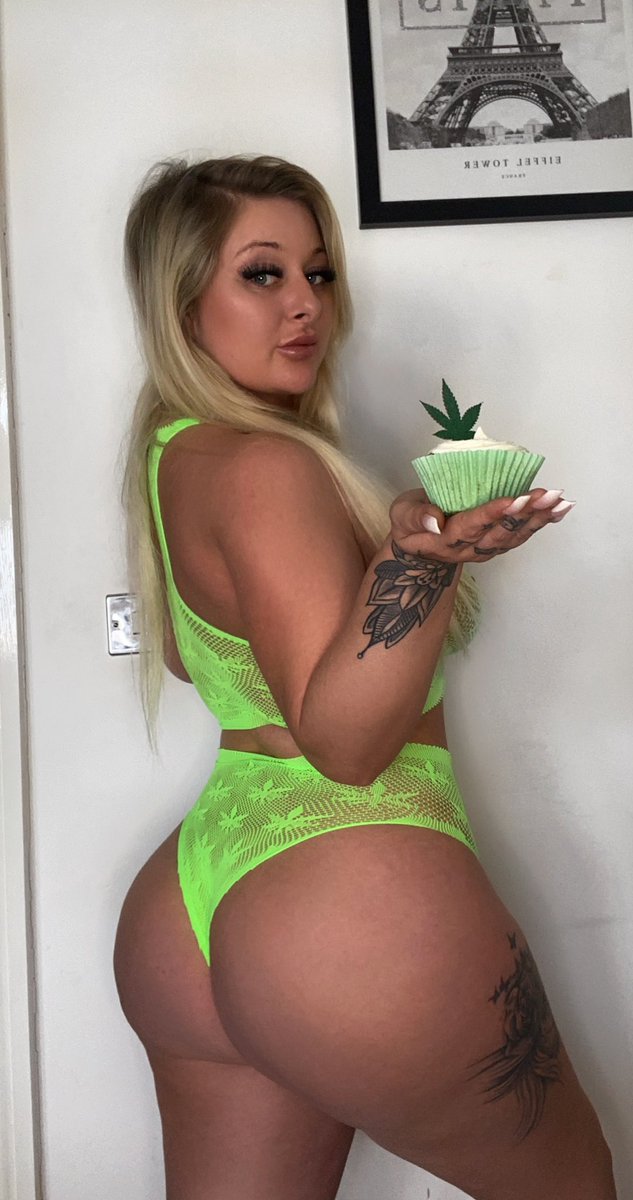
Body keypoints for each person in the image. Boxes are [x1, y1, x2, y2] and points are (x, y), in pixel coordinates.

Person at [113, 155, 615, 1200]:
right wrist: (420, 566)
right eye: (262, 274)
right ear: (183, 302)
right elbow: (344, 746)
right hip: (348, 897)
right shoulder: (269, 466)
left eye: (319, 272)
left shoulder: (173, 457)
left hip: (194, 901)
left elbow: (200, 662)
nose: (306, 303)